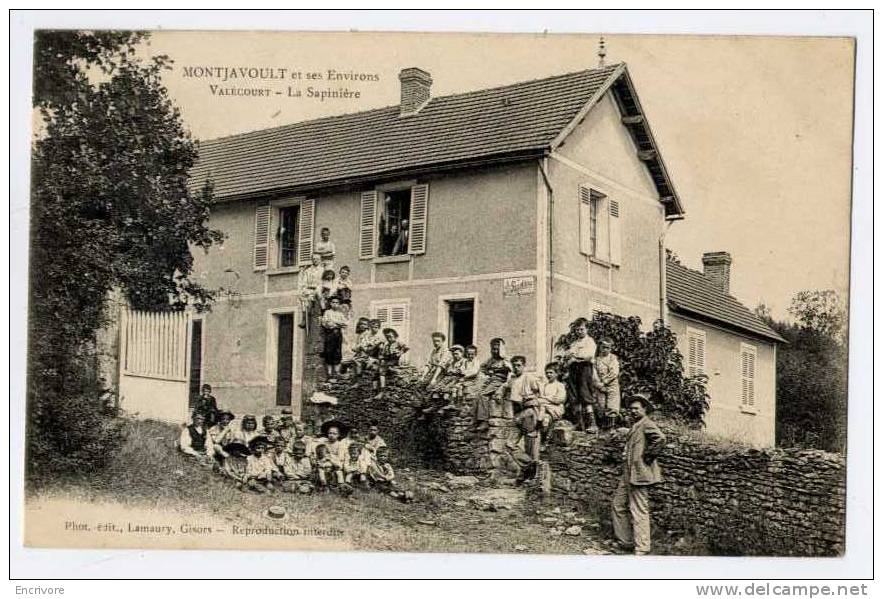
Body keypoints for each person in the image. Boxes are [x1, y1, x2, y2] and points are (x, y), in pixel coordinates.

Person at [611, 393, 666, 555]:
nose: (633, 411)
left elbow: (661, 439)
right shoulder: (636, 426)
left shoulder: (647, 424)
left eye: (636, 408)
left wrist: (646, 458)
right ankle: (626, 542)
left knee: (639, 510)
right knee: (618, 505)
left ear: (644, 409)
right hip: (627, 473)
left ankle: (642, 547)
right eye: (631, 409)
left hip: (639, 473)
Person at [499, 355, 543, 462]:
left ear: (523, 366)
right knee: (509, 444)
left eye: (519, 365)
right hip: (517, 412)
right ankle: (528, 464)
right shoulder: (512, 379)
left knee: (530, 446)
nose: (516, 368)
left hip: (528, 412)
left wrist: (533, 400)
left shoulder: (529, 377)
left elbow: (540, 391)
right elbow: (505, 387)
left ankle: (531, 472)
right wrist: (499, 392)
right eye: (514, 366)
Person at [560, 318, 598, 433]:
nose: (579, 332)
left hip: (584, 369)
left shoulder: (590, 341)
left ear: (587, 329)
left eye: (582, 329)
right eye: (577, 330)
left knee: (585, 395)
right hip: (574, 370)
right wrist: (571, 356)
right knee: (574, 396)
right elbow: (566, 355)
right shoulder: (575, 343)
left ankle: (592, 424)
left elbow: (588, 356)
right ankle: (579, 423)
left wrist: (574, 356)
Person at [474, 338, 512, 427]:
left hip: (499, 381)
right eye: (493, 349)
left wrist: (505, 385)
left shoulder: (506, 360)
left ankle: (484, 420)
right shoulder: (491, 359)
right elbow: (482, 367)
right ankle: (475, 421)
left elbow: (511, 372)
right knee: (476, 393)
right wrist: (488, 372)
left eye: (497, 349)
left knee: (483, 395)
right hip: (491, 380)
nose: (495, 351)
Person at [593, 338, 621, 429]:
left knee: (612, 405)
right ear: (600, 347)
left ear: (610, 348)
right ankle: (602, 426)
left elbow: (614, 372)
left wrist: (605, 381)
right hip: (599, 386)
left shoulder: (612, 358)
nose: (605, 349)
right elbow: (593, 374)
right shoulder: (596, 360)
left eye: (608, 348)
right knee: (601, 405)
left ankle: (611, 427)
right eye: (603, 347)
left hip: (611, 384)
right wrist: (598, 384)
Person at [373, 328, 409, 400]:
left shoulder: (398, 342)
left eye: (390, 336)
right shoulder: (386, 345)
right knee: (375, 372)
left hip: (393, 361)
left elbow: (407, 347)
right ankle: (375, 391)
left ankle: (382, 391)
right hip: (387, 361)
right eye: (387, 337)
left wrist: (400, 353)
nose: (389, 338)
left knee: (382, 370)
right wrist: (381, 357)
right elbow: (383, 355)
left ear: (395, 336)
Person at [321, 296, 347, 381]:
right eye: (333, 302)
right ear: (330, 303)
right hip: (329, 334)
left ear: (339, 304)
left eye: (337, 303)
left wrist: (334, 322)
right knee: (329, 352)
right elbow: (326, 323)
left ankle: (336, 373)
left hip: (338, 335)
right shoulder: (327, 312)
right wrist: (336, 324)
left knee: (337, 352)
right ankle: (329, 374)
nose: (335, 304)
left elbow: (345, 323)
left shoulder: (340, 314)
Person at [540, 362, 567, 437]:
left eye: (551, 373)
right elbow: (541, 397)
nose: (548, 375)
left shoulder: (559, 385)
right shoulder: (545, 385)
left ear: (557, 373)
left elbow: (560, 399)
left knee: (545, 420)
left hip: (555, 409)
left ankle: (545, 440)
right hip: (545, 408)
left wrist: (546, 399)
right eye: (547, 373)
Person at [297, 253, 324, 327]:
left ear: (320, 260)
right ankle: (304, 319)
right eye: (314, 259)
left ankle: (323, 317)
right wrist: (306, 290)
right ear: (312, 260)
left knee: (320, 299)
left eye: (317, 259)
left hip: (319, 290)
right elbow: (304, 283)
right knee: (304, 299)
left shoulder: (323, 270)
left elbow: (323, 282)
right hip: (309, 290)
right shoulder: (308, 271)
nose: (315, 260)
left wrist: (317, 289)